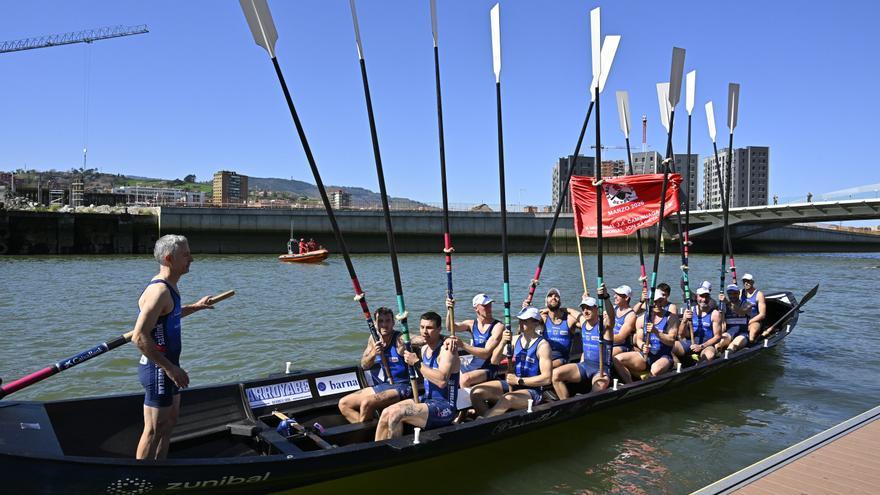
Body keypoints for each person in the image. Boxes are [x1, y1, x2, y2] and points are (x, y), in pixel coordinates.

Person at [132, 234, 216, 460]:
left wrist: (197, 307)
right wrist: (170, 369)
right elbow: (139, 337)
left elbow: (170, 315)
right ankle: (141, 481)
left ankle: (160, 473)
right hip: (158, 369)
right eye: (186, 255)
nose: (192, 259)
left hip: (169, 366)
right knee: (153, 430)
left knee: (168, 425)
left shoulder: (170, 287)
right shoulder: (158, 291)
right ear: (169, 258)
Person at [375, 312, 460, 440]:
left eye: (429, 328)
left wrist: (416, 362)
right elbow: (408, 339)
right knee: (386, 412)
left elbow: (442, 381)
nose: (425, 332)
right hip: (427, 399)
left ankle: (394, 452)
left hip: (445, 407)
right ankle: (378, 450)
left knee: (397, 414)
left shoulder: (447, 350)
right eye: (422, 327)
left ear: (439, 329)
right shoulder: (424, 347)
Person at [470, 307, 553, 417]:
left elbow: (547, 378)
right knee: (476, 392)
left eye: (525, 320)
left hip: (533, 391)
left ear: (535, 323)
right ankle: (488, 418)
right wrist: (503, 342)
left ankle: (483, 422)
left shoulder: (543, 346)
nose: (521, 322)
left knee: (507, 399)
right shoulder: (514, 339)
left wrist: (518, 381)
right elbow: (494, 360)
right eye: (520, 320)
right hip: (513, 384)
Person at [338, 307, 412, 423]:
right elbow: (364, 365)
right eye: (380, 321)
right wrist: (373, 353)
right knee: (344, 404)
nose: (384, 325)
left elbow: (417, 339)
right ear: (375, 324)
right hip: (386, 385)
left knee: (367, 402)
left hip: (403, 387)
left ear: (393, 322)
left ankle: (365, 435)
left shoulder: (400, 339)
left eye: (387, 321)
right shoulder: (373, 339)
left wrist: (445, 338)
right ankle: (368, 431)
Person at [550, 296, 611, 399]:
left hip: (601, 370)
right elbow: (573, 312)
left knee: (595, 392)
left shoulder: (604, 327)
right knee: (555, 375)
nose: (585, 311)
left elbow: (611, 317)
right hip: (584, 366)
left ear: (597, 309)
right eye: (583, 308)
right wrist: (562, 309)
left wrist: (605, 297)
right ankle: (566, 404)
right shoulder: (583, 323)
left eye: (589, 308)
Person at [613, 290, 679, 383]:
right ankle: (630, 385)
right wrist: (643, 346)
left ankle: (667, 371)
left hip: (664, 356)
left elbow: (671, 340)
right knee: (617, 359)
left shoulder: (671, 317)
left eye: (660, 301)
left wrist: (656, 332)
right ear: (648, 303)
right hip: (646, 356)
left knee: (655, 369)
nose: (658, 304)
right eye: (655, 302)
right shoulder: (641, 319)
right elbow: (639, 340)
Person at [446, 294, 504, 387]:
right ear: (476, 308)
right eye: (485, 306)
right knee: (446, 370)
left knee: (465, 379)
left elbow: (486, 354)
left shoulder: (498, 327)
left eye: (490, 305)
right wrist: (449, 309)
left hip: (489, 367)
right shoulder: (471, 324)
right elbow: (450, 327)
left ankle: (469, 401)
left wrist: (463, 345)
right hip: (473, 365)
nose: (489, 308)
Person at [674, 287, 722, 364]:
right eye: (701, 296)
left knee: (709, 356)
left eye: (706, 296)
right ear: (696, 297)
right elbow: (680, 334)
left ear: (709, 298)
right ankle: (676, 365)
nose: (704, 299)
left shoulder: (715, 313)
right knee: (670, 347)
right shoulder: (690, 311)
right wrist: (684, 321)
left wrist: (701, 346)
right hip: (691, 343)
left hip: (706, 345)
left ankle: (699, 365)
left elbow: (717, 337)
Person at [539, 288, 579, 368]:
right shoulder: (543, 318)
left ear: (560, 301)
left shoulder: (569, 319)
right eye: (550, 296)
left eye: (556, 296)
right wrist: (526, 308)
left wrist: (568, 309)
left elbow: (586, 323)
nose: (553, 297)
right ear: (546, 302)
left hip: (561, 360)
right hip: (544, 357)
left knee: (546, 367)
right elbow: (523, 326)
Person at [717, 284, 752, 353]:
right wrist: (718, 335)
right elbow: (723, 324)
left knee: (733, 346)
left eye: (735, 293)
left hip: (742, 334)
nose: (732, 296)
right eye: (730, 294)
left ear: (739, 293)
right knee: (719, 343)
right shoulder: (723, 306)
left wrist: (727, 302)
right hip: (729, 333)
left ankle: (726, 357)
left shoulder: (747, 304)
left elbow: (741, 312)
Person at [610, 285, 637, 357]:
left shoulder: (630, 315)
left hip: (622, 345)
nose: (614, 296)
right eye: (615, 294)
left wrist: (601, 337)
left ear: (626, 298)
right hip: (609, 341)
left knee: (606, 354)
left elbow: (620, 338)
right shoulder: (613, 308)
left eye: (618, 295)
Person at [740, 274, 767, 343]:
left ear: (752, 282)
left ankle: (751, 344)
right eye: (744, 281)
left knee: (751, 334)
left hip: (754, 321)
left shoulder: (759, 295)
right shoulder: (740, 292)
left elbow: (762, 315)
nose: (746, 283)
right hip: (742, 319)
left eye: (748, 281)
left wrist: (749, 322)